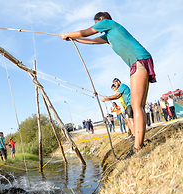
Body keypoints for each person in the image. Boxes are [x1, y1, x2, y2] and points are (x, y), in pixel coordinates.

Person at [60, 11, 156, 151]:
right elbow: (92, 41)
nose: (96, 26)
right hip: (142, 59)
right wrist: (73, 39)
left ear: (101, 20)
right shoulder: (109, 35)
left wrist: (67, 33)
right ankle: (139, 142)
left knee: (136, 106)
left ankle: (137, 146)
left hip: (138, 60)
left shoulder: (108, 23)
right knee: (138, 106)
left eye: (96, 24)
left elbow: (85, 33)